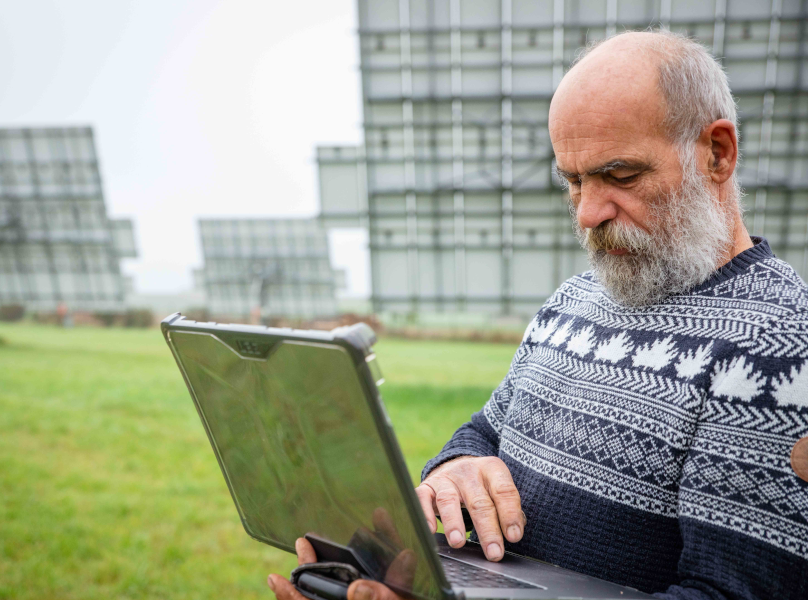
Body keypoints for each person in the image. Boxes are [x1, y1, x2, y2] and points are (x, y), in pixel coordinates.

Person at [268, 30, 808, 600]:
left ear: (717, 153)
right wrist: (457, 466)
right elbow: (487, 429)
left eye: (621, 175)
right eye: (574, 182)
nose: (589, 214)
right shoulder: (572, 301)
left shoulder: (779, 348)